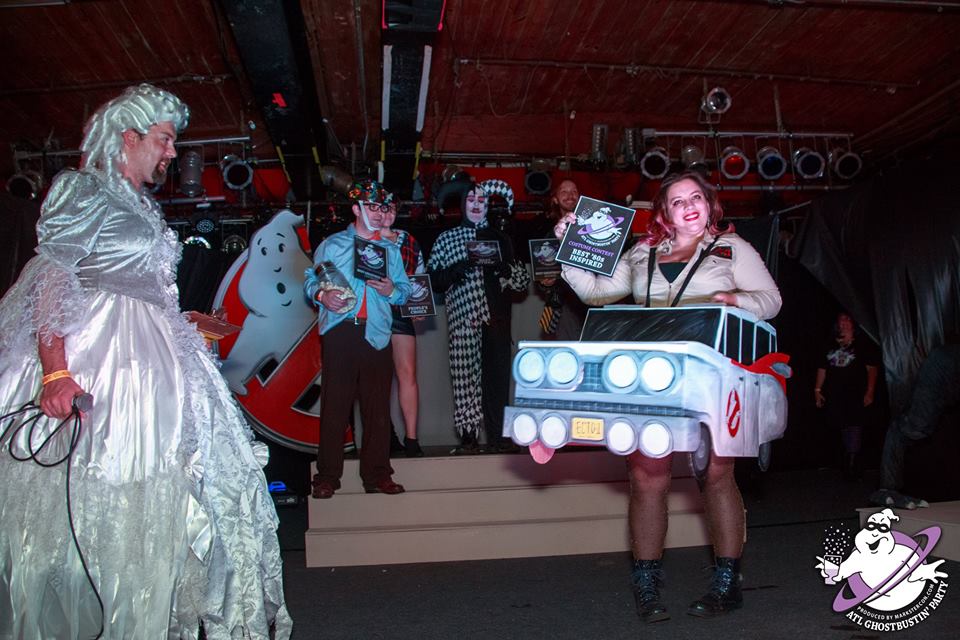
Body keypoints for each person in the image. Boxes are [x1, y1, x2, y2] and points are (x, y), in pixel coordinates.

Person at [0, 84, 291, 638]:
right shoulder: (83, 189)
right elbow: (53, 276)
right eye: (164, 139)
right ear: (128, 137)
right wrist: (55, 370)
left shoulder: (143, 205)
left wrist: (186, 324)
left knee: (158, 499)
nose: (172, 153)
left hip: (152, 359)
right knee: (101, 489)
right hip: (105, 356)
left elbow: (147, 288)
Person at [557, 171, 781, 622]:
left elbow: (771, 300)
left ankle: (727, 582)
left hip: (712, 376)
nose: (689, 205)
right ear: (664, 212)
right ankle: (646, 583)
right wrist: (570, 250)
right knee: (647, 476)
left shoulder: (732, 248)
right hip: (654, 379)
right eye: (678, 201)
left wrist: (734, 300)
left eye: (696, 197)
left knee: (716, 473)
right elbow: (598, 293)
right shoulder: (642, 252)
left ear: (709, 204)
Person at [305, 179, 411, 499]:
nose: (379, 213)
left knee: (377, 409)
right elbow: (310, 281)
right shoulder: (332, 245)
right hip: (340, 331)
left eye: (383, 208)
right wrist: (322, 297)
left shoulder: (390, 250)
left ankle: (377, 474)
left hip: (376, 333)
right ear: (356, 209)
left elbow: (405, 291)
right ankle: (327, 476)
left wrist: (390, 290)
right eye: (372, 207)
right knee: (335, 407)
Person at [428, 179, 531, 453]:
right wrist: (452, 273)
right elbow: (431, 279)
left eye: (482, 200)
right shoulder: (446, 239)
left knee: (497, 380)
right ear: (463, 204)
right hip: (463, 322)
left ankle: (499, 437)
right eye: (471, 200)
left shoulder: (501, 238)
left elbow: (522, 282)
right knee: (465, 381)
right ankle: (468, 438)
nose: (476, 205)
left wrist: (506, 270)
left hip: (496, 320)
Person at [380, 205, 426, 457]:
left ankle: (412, 439)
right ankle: (385, 437)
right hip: (373, 312)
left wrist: (419, 305)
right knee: (377, 378)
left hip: (400, 311)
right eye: (381, 209)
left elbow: (420, 277)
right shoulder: (364, 239)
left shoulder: (408, 240)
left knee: (407, 373)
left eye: (391, 210)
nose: (387, 215)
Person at [814, 311, 879, 480]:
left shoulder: (862, 345)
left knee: (855, 426)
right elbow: (822, 369)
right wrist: (817, 390)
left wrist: (870, 391)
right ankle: (847, 461)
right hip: (836, 395)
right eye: (840, 320)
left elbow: (872, 369)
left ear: (852, 323)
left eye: (846, 320)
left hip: (855, 394)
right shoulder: (830, 344)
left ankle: (852, 465)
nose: (843, 323)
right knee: (842, 426)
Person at [537, 179, 591, 340]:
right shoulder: (549, 234)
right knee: (569, 351)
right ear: (555, 199)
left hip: (594, 301)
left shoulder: (593, 228)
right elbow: (543, 276)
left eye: (574, 191)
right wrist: (545, 283)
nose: (570, 195)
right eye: (564, 192)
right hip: (566, 304)